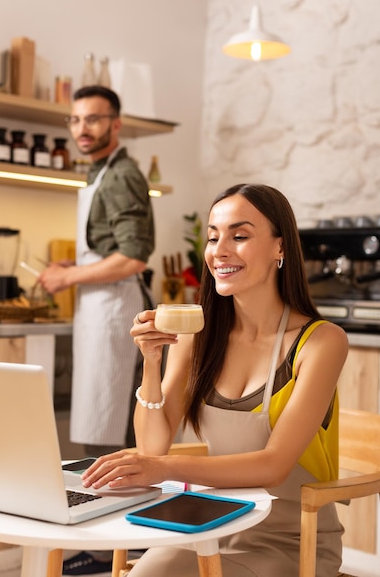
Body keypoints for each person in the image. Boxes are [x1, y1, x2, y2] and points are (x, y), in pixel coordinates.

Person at [81, 183, 349, 577]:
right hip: (210, 526)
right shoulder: (198, 335)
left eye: (239, 236)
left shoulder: (321, 342)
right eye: (212, 237)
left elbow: (273, 467)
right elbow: (153, 444)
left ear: (280, 248)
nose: (219, 250)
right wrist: (151, 362)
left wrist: (164, 468)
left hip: (291, 541)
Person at [38, 85, 155, 457]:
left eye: (93, 119)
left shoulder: (121, 175)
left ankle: (125, 506)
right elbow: (114, 248)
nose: (81, 129)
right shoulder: (98, 173)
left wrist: (67, 277)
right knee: (99, 419)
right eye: (75, 120)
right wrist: (78, 265)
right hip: (99, 307)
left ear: (115, 124)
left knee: (113, 423)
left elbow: (134, 257)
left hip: (116, 310)